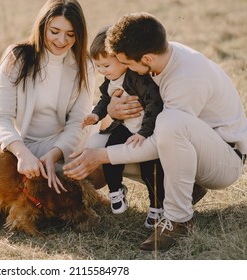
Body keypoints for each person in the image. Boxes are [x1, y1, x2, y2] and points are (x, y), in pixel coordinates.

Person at [63, 12, 247, 251]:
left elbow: (161, 138)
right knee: (98, 143)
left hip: (223, 162)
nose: (126, 70)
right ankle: (184, 189)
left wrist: (102, 157)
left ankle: (178, 220)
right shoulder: (157, 57)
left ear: (146, 58)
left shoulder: (186, 77)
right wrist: (111, 110)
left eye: (128, 64)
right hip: (187, 148)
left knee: (169, 123)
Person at [0, 0, 95, 194]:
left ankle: (62, 177)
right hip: (24, 147)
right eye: (54, 32)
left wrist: (54, 154)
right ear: (42, 27)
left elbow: (77, 122)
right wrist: (22, 154)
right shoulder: (17, 57)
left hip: (66, 146)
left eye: (70, 34)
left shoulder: (84, 63)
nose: (62, 40)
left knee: (99, 126)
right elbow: (0, 118)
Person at [82, 27, 164, 228]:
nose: (102, 70)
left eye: (106, 65)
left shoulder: (137, 78)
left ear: (121, 58)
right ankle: (116, 190)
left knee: (150, 168)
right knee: (110, 152)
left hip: (147, 129)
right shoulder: (109, 81)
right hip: (127, 127)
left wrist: (145, 132)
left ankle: (157, 205)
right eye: (98, 66)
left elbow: (154, 104)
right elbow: (105, 100)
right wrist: (97, 114)